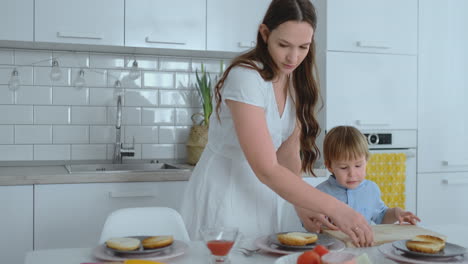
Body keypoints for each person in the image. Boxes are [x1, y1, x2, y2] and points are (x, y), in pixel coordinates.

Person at [180, 0, 373, 247]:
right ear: (264, 34)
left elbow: (286, 156)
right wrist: (339, 209)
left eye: (303, 47)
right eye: (284, 45)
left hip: (265, 194)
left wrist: (301, 205)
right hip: (225, 193)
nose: (293, 57)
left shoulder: (293, 80)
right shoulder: (246, 77)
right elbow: (267, 167)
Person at [314, 126, 421, 227]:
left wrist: (396, 213)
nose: (352, 173)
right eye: (343, 167)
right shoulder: (319, 193)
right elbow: (309, 223)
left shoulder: (371, 189)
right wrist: (316, 221)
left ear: (366, 161)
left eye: (358, 165)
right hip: (333, 246)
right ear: (329, 166)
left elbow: (381, 217)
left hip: (363, 245)